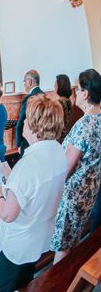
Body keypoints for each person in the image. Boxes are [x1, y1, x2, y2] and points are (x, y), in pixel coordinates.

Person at [0, 95, 67, 292]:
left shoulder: (27, 165)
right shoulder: (59, 151)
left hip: (18, 244)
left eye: (25, 118)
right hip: (41, 235)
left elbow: (8, 214)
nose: (23, 122)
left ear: (35, 126)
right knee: (25, 283)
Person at [51, 69, 101, 263]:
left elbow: (67, 166)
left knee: (63, 245)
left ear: (86, 94)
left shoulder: (85, 124)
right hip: (90, 190)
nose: (75, 94)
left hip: (73, 193)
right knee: (75, 238)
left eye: (78, 90)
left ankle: (59, 283)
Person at [16, 69, 43, 155]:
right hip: (42, 139)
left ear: (30, 82)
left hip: (28, 140)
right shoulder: (45, 95)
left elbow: (21, 122)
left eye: (25, 81)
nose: (24, 84)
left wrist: (19, 143)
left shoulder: (28, 98)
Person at [55, 74, 84, 141]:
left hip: (62, 139)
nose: (54, 86)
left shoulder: (59, 103)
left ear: (59, 86)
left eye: (55, 84)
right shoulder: (68, 101)